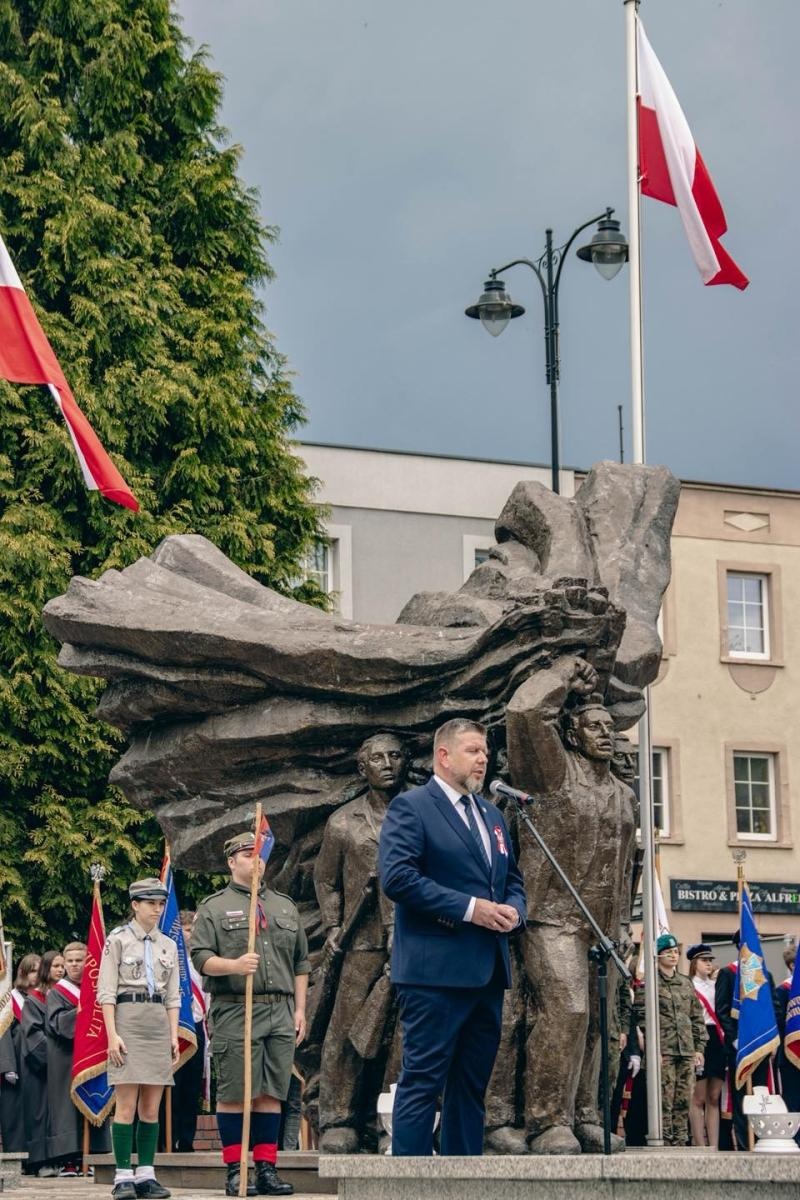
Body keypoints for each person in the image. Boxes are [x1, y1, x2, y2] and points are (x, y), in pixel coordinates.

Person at [503, 657, 636, 1153]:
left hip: (604, 925)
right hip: (552, 917)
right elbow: (524, 714)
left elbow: (624, 864)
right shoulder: (553, 775)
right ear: (573, 736)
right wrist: (562, 675)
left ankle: (586, 1113)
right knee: (568, 1009)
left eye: (610, 727)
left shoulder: (624, 794)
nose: (605, 733)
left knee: (602, 1019)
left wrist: (623, 920)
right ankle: (546, 1120)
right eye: (593, 727)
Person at [378, 717, 526, 1157]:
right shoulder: (412, 807)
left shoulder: (493, 814)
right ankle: (411, 1186)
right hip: (434, 972)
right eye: (473, 751)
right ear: (444, 756)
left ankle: (465, 1180)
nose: (483, 759)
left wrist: (514, 911)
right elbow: (399, 878)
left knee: (471, 1086)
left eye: (485, 752)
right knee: (423, 1081)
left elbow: (511, 878)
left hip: (487, 971)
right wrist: (470, 909)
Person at [191, 830, 310, 1198]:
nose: (255, 861)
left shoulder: (284, 906)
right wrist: (233, 964)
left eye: (259, 855)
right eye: (247, 855)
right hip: (236, 1009)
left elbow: (301, 963)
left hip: (280, 1010)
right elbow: (200, 958)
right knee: (234, 1090)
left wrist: (301, 1010)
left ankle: (267, 1169)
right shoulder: (214, 906)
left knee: (271, 1092)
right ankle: (234, 1169)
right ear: (231, 862)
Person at [314, 732, 409, 1153]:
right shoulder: (343, 821)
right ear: (362, 768)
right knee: (347, 1029)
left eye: (395, 756)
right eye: (377, 758)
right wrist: (333, 926)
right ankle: (338, 1117)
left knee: (405, 1035)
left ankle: (394, 1118)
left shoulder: (421, 812)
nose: (387, 763)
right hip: (362, 941)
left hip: (413, 941)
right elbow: (326, 879)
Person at [97, 878, 180, 1200]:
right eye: (150, 903)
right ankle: (122, 1176)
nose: (157, 910)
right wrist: (112, 1034)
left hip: (158, 1021)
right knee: (127, 1104)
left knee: (151, 1107)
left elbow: (174, 995)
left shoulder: (168, 944)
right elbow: (105, 992)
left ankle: (146, 1174)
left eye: (160, 904)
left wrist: (173, 1034)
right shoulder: (118, 939)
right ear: (135, 904)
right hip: (128, 1020)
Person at [637, 933, 706, 1147]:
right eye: (669, 952)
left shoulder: (685, 983)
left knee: (684, 1099)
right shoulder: (649, 984)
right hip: (663, 1050)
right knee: (663, 1100)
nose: (674, 955)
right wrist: (652, 1049)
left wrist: (699, 1048)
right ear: (658, 956)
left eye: (676, 952)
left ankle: (680, 1141)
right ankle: (664, 1140)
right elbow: (642, 1019)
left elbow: (696, 1017)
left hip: (686, 1050)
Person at [162, 911, 208, 1153]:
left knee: (191, 1088)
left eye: (191, 930)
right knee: (172, 1087)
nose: (188, 935)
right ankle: (168, 1139)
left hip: (197, 1027)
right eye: (184, 930)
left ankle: (186, 1140)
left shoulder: (202, 963)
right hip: (173, 1027)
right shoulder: (170, 962)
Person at [21, 950, 62, 1176]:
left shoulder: (66, 995)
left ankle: (62, 1159)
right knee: (40, 1112)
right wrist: (54, 1057)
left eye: (61, 965)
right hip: (40, 1066)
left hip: (62, 1067)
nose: (60, 969)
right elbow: (32, 1034)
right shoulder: (34, 999)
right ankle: (40, 1162)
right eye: (55, 965)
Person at [0, 954, 37, 1160]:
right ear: (22, 972)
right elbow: (3, 1033)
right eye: (32, 970)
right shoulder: (9, 999)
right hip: (15, 1062)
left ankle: (35, 1158)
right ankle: (16, 1156)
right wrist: (7, 1066)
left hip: (36, 1063)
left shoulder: (43, 997)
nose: (36, 975)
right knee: (13, 1112)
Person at [687, 943, 724, 1149]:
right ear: (694, 963)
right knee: (698, 1097)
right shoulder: (689, 985)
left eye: (710, 960)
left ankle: (715, 1146)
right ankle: (700, 1145)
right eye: (704, 960)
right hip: (699, 1036)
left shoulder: (717, 984)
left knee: (714, 1096)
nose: (708, 964)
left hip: (717, 1037)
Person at [774, 941, 800, 1116]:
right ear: (792, 966)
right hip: (791, 1053)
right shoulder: (783, 990)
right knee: (793, 1100)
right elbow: (780, 1023)